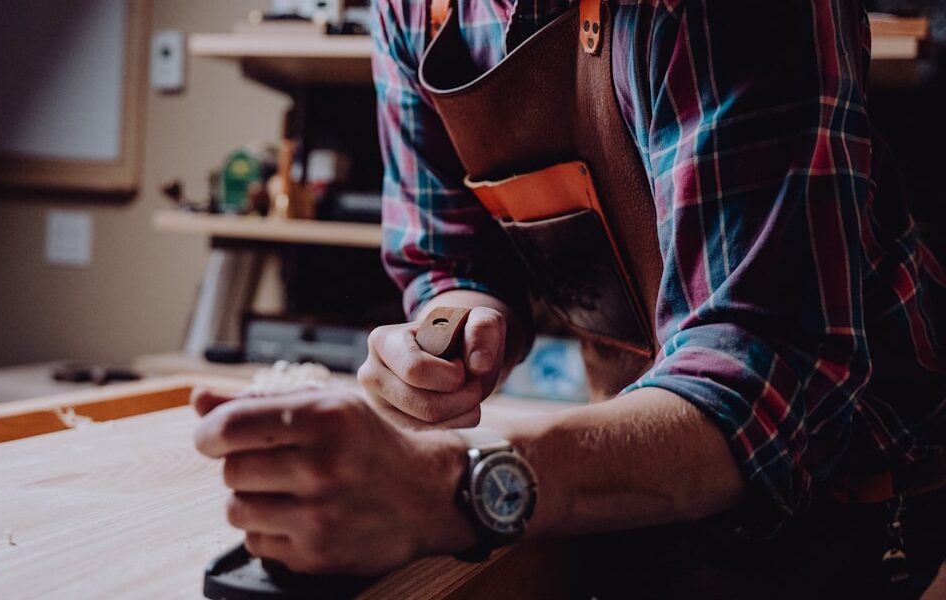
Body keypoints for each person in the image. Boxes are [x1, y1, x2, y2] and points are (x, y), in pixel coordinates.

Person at [194, 0, 946, 596]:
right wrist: (451, 325)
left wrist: (451, 487)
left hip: (865, 509)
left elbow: (763, 379)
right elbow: (449, 257)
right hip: (644, 492)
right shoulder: (417, 14)